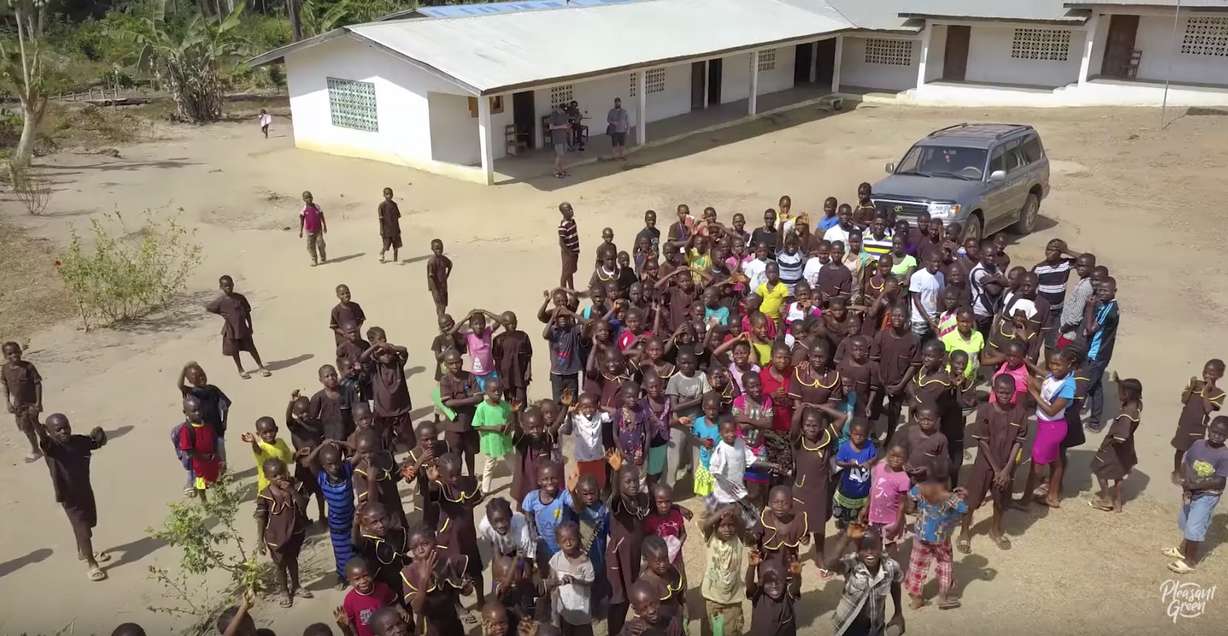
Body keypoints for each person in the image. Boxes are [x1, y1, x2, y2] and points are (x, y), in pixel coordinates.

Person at [35, 413, 110, 581]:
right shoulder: (51, 447)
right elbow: (43, 438)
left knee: (87, 523)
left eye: (66, 427)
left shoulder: (78, 441)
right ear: (49, 432)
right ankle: (92, 564)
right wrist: (37, 425)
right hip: (68, 496)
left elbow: (95, 442)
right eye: (58, 429)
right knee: (83, 528)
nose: (64, 431)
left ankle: (82, 552)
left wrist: (100, 435)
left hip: (85, 490)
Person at [957, 375, 1025, 553]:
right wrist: (996, 469)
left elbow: (1018, 442)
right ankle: (964, 532)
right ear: (994, 391)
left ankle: (995, 530)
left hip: (1006, 465)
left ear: (1014, 392)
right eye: (1000, 392)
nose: (1004, 395)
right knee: (971, 500)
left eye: (1008, 392)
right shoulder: (985, 410)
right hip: (985, 464)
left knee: (1001, 501)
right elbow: (982, 442)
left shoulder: (1020, 412)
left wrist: (1006, 470)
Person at [1166, 417, 1228, 574]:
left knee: (1194, 526)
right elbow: (1187, 462)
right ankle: (1182, 550)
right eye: (1214, 431)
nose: (1217, 436)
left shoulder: (1224, 455)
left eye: (1222, 434)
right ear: (1208, 429)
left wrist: (1195, 486)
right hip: (1190, 491)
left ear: (1227, 436)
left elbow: (1220, 482)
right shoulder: (1198, 445)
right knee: (1185, 521)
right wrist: (1185, 482)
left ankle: (1190, 561)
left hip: (1207, 495)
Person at [1019, 350, 1078, 509]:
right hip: (1047, 425)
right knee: (1056, 462)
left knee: (1036, 467)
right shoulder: (1055, 375)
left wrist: (1033, 392)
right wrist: (1029, 365)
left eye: (1058, 364)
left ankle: (1025, 501)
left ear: (1069, 364)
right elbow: (1047, 376)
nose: (1054, 368)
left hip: (1051, 428)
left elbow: (1051, 410)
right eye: (1051, 363)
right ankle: (1052, 497)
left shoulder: (1068, 386)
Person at [826, 524, 905, 636]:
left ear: (881, 544)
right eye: (864, 548)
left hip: (875, 626)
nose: (869, 552)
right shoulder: (852, 564)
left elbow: (895, 583)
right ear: (858, 549)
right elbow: (829, 565)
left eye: (873, 547)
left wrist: (898, 612)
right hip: (848, 626)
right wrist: (846, 538)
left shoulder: (891, 566)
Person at [255, 458, 312, 607]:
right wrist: (260, 540)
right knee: (280, 564)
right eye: (274, 476)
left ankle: (296, 586)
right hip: (275, 536)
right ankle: (283, 591)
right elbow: (261, 517)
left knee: (292, 559)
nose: (280, 477)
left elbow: (304, 505)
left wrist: (292, 490)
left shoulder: (296, 485)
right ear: (267, 477)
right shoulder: (265, 495)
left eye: (282, 473)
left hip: (295, 532)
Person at [905, 477, 968, 610]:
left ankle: (916, 599)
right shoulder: (950, 497)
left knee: (917, 566)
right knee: (945, 563)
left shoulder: (920, 489)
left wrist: (914, 509)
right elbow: (964, 509)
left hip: (921, 536)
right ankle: (943, 597)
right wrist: (962, 497)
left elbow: (909, 500)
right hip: (941, 538)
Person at [1090, 375, 1143, 513]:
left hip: (1113, 448)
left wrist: (1111, 441)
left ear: (1127, 394)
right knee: (1118, 474)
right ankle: (1118, 502)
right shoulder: (1137, 406)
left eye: (1120, 391)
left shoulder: (1126, 414)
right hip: (1127, 448)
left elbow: (1121, 436)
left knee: (1100, 471)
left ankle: (1107, 499)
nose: (1117, 394)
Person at [206, 275, 271, 379]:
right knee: (234, 350)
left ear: (233, 284)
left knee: (251, 347)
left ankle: (261, 367)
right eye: (225, 286)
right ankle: (240, 369)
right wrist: (222, 314)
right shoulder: (221, 301)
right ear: (221, 287)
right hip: (230, 330)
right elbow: (209, 308)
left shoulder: (240, 298)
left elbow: (247, 312)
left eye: (230, 285)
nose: (228, 287)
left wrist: (250, 326)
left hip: (243, 328)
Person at [1172, 360, 1225, 482]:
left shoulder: (1218, 393)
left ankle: (1191, 475)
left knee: (1195, 452)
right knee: (1179, 449)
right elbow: (1184, 400)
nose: (1207, 375)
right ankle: (1176, 471)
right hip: (1185, 423)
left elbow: (1208, 409)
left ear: (1219, 375)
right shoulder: (1195, 384)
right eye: (1205, 371)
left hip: (1198, 428)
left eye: (1211, 373)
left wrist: (1205, 392)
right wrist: (1191, 387)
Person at [1082, 277, 1120, 432]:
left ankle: (1072, 418)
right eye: (1099, 290)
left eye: (1105, 290)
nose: (1101, 293)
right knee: (1095, 387)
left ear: (1114, 291)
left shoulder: (1109, 311)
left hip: (1097, 355)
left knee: (1084, 386)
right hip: (1099, 353)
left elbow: (1090, 329)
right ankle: (1095, 421)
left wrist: (1090, 307)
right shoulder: (1107, 305)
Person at [547, 521, 596, 636]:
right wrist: (556, 583)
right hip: (564, 609)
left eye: (572, 539)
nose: (568, 543)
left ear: (578, 539)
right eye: (564, 540)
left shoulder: (584, 561)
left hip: (581, 611)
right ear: (558, 542)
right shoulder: (556, 559)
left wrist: (575, 580)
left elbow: (590, 582)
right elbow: (551, 581)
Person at [336, 557, 403, 636]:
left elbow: (394, 601)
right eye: (357, 579)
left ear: (371, 574)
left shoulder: (382, 588)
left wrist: (401, 610)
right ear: (349, 581)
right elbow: (350, 623)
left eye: (365, 576)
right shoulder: (350, 600)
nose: (363, 581)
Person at [2, 341, 43, 462]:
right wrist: (7, 402)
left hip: (31, 404)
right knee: (27, 428)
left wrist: (38, 403)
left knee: (33, 425)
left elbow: (37, 384)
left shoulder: (28, 367)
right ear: (5, 356)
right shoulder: (5, 369)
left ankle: (40, 447)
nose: (14, 355)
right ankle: (37, 447)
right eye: (10, 353)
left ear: (20, 352)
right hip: (18, 405)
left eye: (16, 352)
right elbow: (5, 385)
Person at [473, 379, 514, 493]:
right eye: (494, 390)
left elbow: (510, 418)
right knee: (489, 465)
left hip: (505, 441)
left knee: (512, 463)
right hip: (491, 443)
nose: (497, 393)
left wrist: (509, 425)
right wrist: (494, 428)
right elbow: (476, 426)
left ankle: (518, 482)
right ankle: (485, 489)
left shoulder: (505, 405)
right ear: (486, 391)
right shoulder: (482, 407)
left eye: (499, 390)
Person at [179, 395, 222, 501]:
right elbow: (188, 450)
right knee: (201, 483)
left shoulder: (208, 425)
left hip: (212, 460)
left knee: (217, 478)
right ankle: (204, 501)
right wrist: (203, 456)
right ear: (185, 412)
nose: (198, 413)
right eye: (194, 411)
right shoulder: (186, 430)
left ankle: (222, 495)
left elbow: (214, 440)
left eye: (199, 409)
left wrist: (217, 455)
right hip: (199, 463)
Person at [478, 497, 536, 563]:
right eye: (496, 521)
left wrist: (517, 561)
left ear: (510, 515)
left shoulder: (521, 527)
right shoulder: (484, 527)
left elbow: (527, 557)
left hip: (520, 550)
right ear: (489, 521)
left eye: (503, 520)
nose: (500, 525)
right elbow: (493, 543)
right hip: (503, 549)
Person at [909, 251, 944, 338]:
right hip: (919, 319)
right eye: (934, 261)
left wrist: (937, 317)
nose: (937, 264)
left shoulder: (940, 276)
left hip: (934, 319)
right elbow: (917, 301)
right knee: (917, 343)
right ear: (927, 261)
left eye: (939, 262)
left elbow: (940, 297)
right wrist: (929, 320)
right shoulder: (917, 276)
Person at [300, 190, 328, 266]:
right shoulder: (303, 209)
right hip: (309, 231)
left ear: (312, 197)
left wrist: (325, 226)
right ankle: (314, 260)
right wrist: (301, 231)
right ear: (304, 199)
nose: (309, 199)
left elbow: (322, 216)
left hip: (318, 230)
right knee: (310, 246)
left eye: (310, 197)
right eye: (306, 198)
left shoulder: (317, 206)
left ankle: (323, 258)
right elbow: (302, 221)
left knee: (321, 244)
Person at [427, 239, 453, 317]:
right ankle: (441, 320)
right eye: (437, 248)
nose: (439, 250)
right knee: (439, 305)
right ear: (432, 249)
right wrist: (434, 290)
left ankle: (442, 318)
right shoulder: (432, 261)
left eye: (441, 248)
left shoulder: (444, 259)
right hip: (436, 288)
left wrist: (447, 275)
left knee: (444, 304)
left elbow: (450, 264)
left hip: (443, 286)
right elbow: (431, 277)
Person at [558, 203, 580, 290]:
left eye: (571, 209)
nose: (571, 211)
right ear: (563, 213)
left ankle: (571, 290)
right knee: (565, 274)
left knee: (570, 272)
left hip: (574, 251)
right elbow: (561, 242)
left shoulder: (572, 221)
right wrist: (569, 252)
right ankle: (563, 292)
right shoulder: (563, 226)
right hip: (568, 253)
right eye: (567, 210)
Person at [377, 187, 402, 263]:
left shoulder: (394, 204)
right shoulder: (381, 206)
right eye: (387, 194)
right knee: (386, 245)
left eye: (391, 194)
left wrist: (398, 229)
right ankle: (381, 254)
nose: (389, 195)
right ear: (384, 195)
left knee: (396, 246)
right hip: (386, 229)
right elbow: (380, 219)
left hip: (395, 229)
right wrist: (381, 229)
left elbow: (397, 217)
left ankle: (395, 260)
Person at [549, 104, 570, 178]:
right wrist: (561, 126)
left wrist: (568, 126)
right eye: (562, 110)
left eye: (564, 111)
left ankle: (561, 170)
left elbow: (566, 123)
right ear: (559, 108)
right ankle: (555, 171)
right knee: (558, 155)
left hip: (563, 136)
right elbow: (551, 127)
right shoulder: (554, 115)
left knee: (562, 154)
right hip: (557, 137)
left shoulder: (564, 114)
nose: (563, 112)